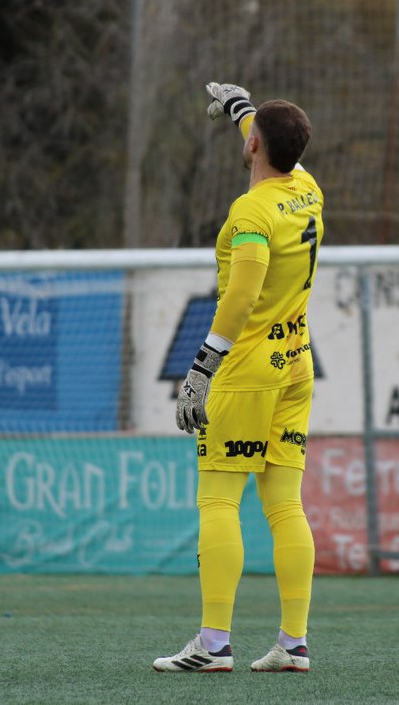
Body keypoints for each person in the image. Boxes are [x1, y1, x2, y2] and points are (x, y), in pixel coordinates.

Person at [153, 82, 322, 674]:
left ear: (254, 146)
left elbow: (243, 295)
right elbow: (272, 142)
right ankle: (294, 643)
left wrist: (201, 369)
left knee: (219, 499)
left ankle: (214, 644)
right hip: (295, 363)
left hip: (247, 370)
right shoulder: (306, 188)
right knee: (284, 505)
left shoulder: (250, 213)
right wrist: (240, 108)